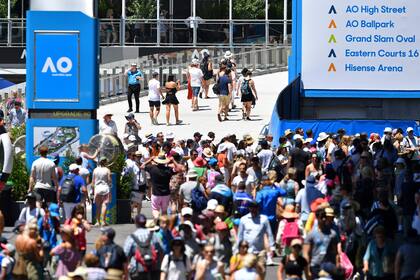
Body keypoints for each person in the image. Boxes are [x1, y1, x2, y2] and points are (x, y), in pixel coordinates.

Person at [237, 201, 275, 273]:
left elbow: (269, 234)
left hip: (260, 251)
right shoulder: (243, 220)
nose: (253, 210)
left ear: (258, 209)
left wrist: (272, 247)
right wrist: (237, 250)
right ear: (249, 209)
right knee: (249, 273)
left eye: (255, 208)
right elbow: (240, 236)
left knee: (261, 272)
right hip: (247, 252)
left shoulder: (264, 219)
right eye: (251, 208)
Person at [142, 153, 183, 219]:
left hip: (156, 193)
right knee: (164, 211)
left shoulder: (152, 168)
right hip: (166, 194)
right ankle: (164, 224)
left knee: (155, 210)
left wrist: (150, 160)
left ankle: (157, 218)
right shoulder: (168, 170)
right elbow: (179, 169)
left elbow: (142, 166)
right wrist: (173, 161)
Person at [304, 207, 340, 279]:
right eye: (321, 217)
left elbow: (336, 252)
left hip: (328, 266)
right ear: (317, 218)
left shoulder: (332, 234)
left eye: (324, 217)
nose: (323, 219)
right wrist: (307, 270)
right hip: (315, 266)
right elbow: (306, 254)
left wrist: (337, 265)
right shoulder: (311, 234)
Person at [124, 214, 161, 280]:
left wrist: (126, 272)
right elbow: (160, 251)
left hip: (137, 269)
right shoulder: (153, 235)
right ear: (145, 222)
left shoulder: (131, 237)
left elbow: (125, 255)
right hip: (152, 268)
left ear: (136, 223)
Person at [92, 157, 112, 226]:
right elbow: (109, 180)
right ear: (105, 162)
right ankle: (103, 221)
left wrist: (92, 190)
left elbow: (93, 182)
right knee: (104, 205)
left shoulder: (95, 170)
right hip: (105, 188)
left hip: (97, 189)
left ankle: (97, 221)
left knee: (98, 206)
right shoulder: (107, 170)